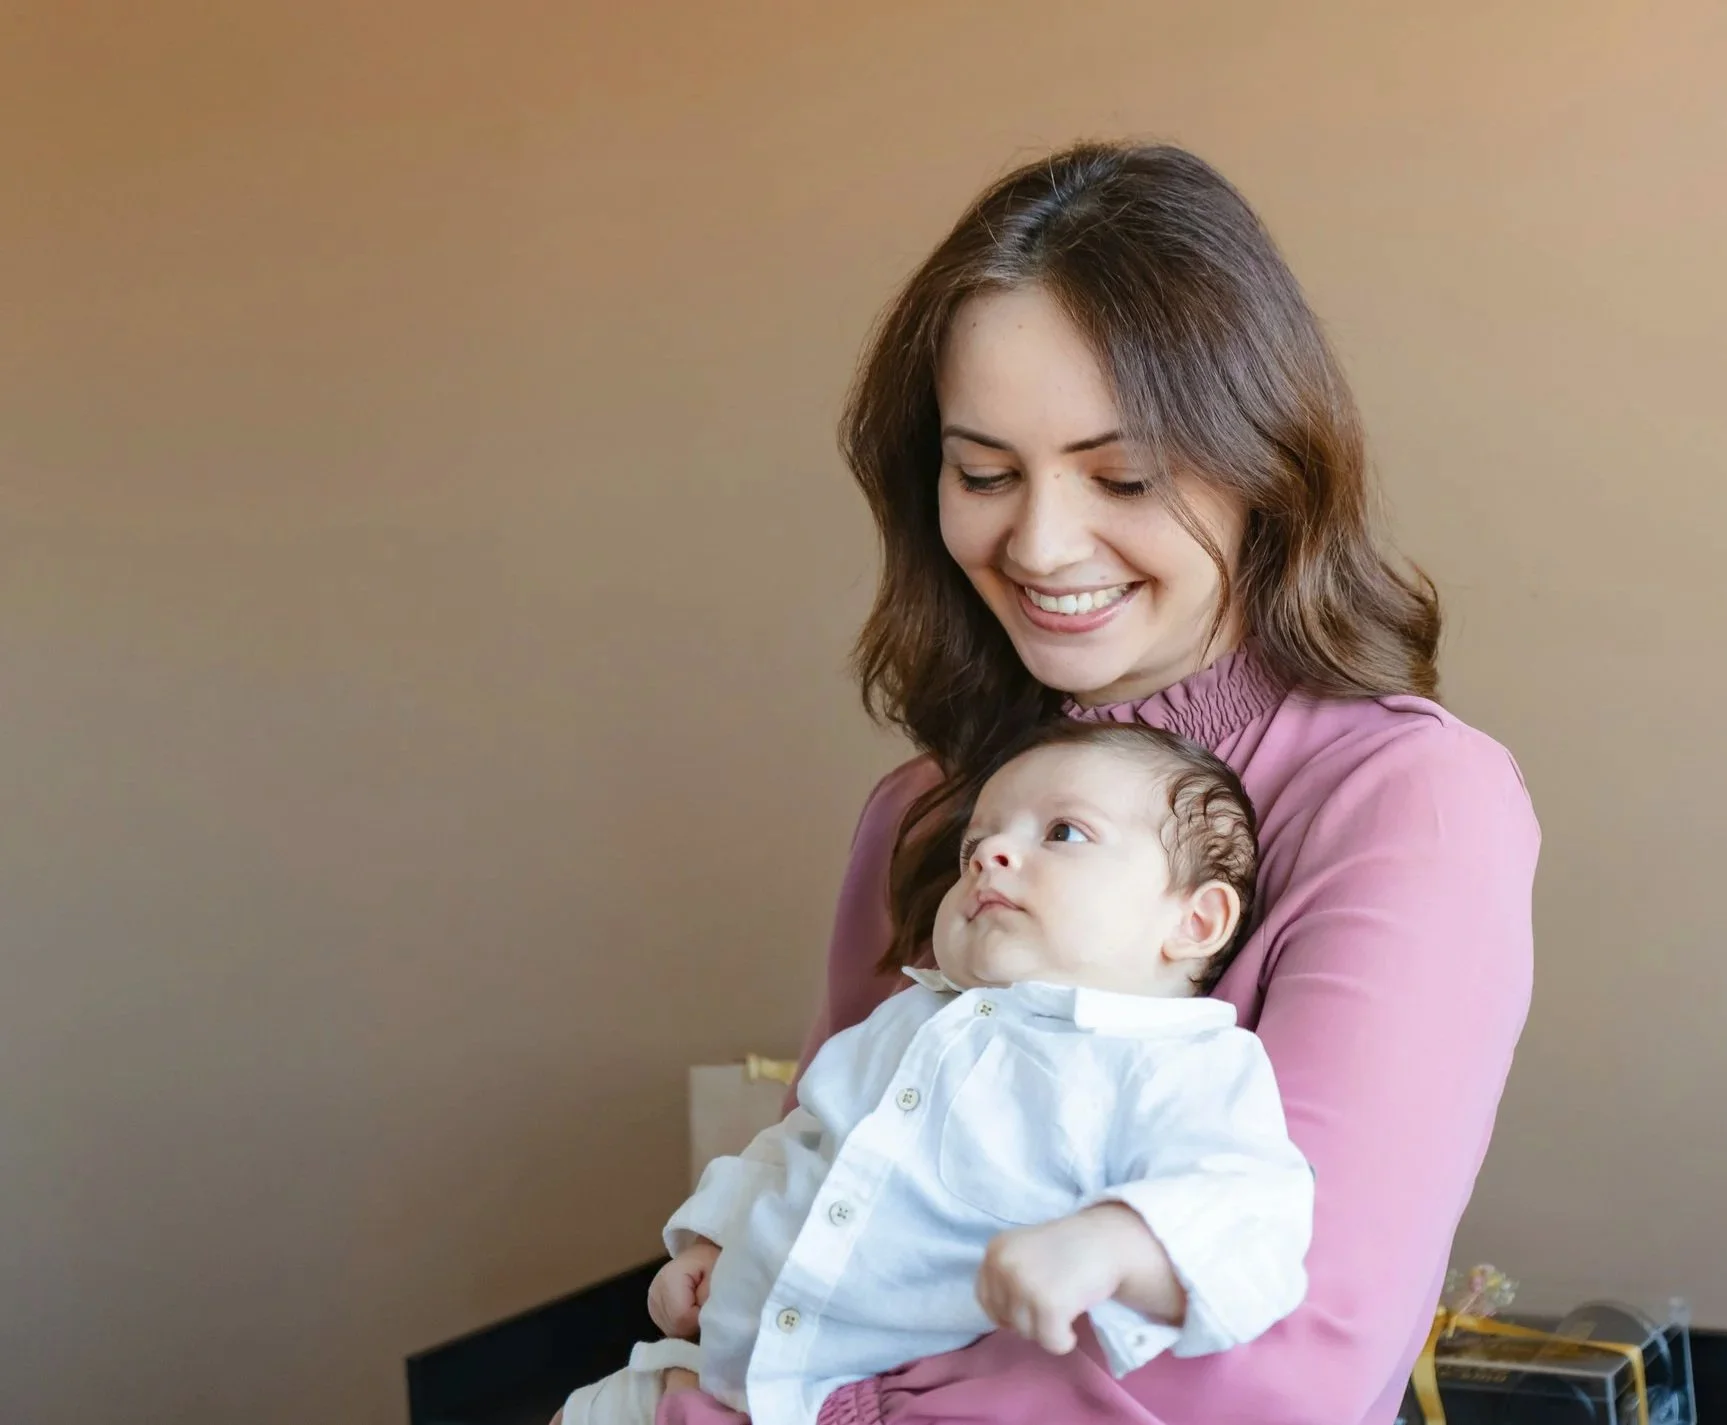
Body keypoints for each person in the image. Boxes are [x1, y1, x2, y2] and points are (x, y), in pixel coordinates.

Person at [666, 140, 1539, 1425]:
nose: (1040, 542)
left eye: (1121, 476)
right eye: (982, 473)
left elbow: (1279, 1366)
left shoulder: (1407, 800)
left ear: (1260, 459)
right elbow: (812, 1216)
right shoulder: (925, 818)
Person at [558, 722, 1313, 1425]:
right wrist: (715, 1241)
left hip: (861, 1400)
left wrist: (1112, 1244)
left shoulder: (1172, 1061)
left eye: (1063, 832)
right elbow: (807, 1139)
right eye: (974, 845)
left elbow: (1250, 1207)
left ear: (1195, 922)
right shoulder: (910, 1018)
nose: (989, 856)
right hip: (723, 1368)